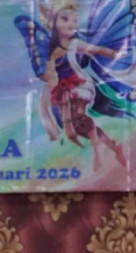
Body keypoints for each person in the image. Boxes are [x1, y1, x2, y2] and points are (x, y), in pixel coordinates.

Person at [15, 0, 135, 173]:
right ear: (52, 23)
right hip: (64, 89)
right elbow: (48, 73)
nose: (71, 24)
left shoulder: (75, 44)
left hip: (79, 84)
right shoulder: (53, 50)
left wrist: (115, 53)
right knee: (77, 125)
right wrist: (50, 74)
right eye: (65, 19)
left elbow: (97, 49)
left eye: (74, 20)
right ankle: (112, 145)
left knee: (78, 116)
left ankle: (96, 149)